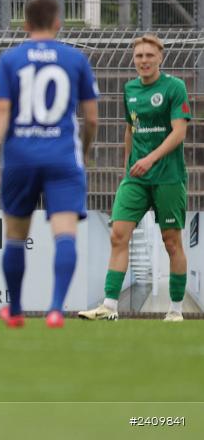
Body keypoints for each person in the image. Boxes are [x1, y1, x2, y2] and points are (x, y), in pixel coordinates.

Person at [0, 0, 99, 329]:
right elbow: (91, 119)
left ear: (26, 25)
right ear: (58, 23)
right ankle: (56, 309)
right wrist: (84, 151)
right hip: (62, 156)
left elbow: (1, 110)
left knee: (16, 235)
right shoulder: (75, 59)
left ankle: (15, 310)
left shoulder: (11, 59)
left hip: (20, 157)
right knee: (65, 234)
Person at [79, 34, 192, 322]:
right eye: (139, 56)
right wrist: (127, 167)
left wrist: (150, 158)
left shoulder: (174, 87)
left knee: (171, 242)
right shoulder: (129, 89)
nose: (143, 61)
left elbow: (179, 132)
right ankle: (109, 306)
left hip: (168, 177)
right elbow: (130, 130)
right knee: (118, 235)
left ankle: (176, 309)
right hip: (136, 178)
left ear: (160, 58)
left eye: (149, 56)